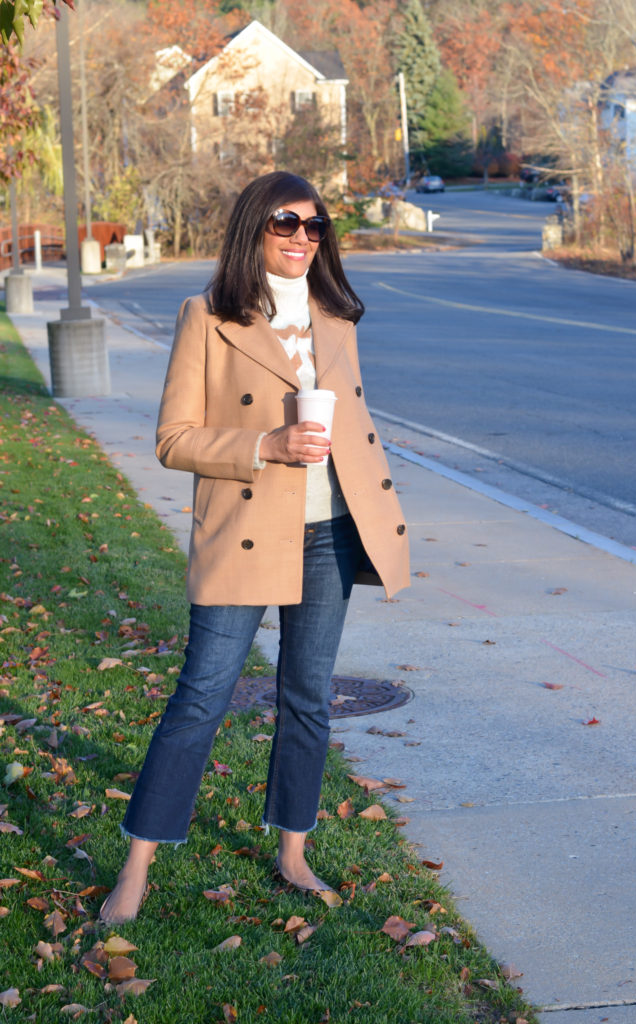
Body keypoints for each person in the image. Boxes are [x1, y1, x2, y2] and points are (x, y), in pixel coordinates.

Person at [99, 171, 410, 925]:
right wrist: (266, 443)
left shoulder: (338, 320)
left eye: (316, 227)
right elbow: (173, 441)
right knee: (201, 695)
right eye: (285, 223)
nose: (303, 237)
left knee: (308, 696)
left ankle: (293, 851)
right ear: (254, 230)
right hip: (243, 529)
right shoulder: (208, 316)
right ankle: (137, 864)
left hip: (331, 529)